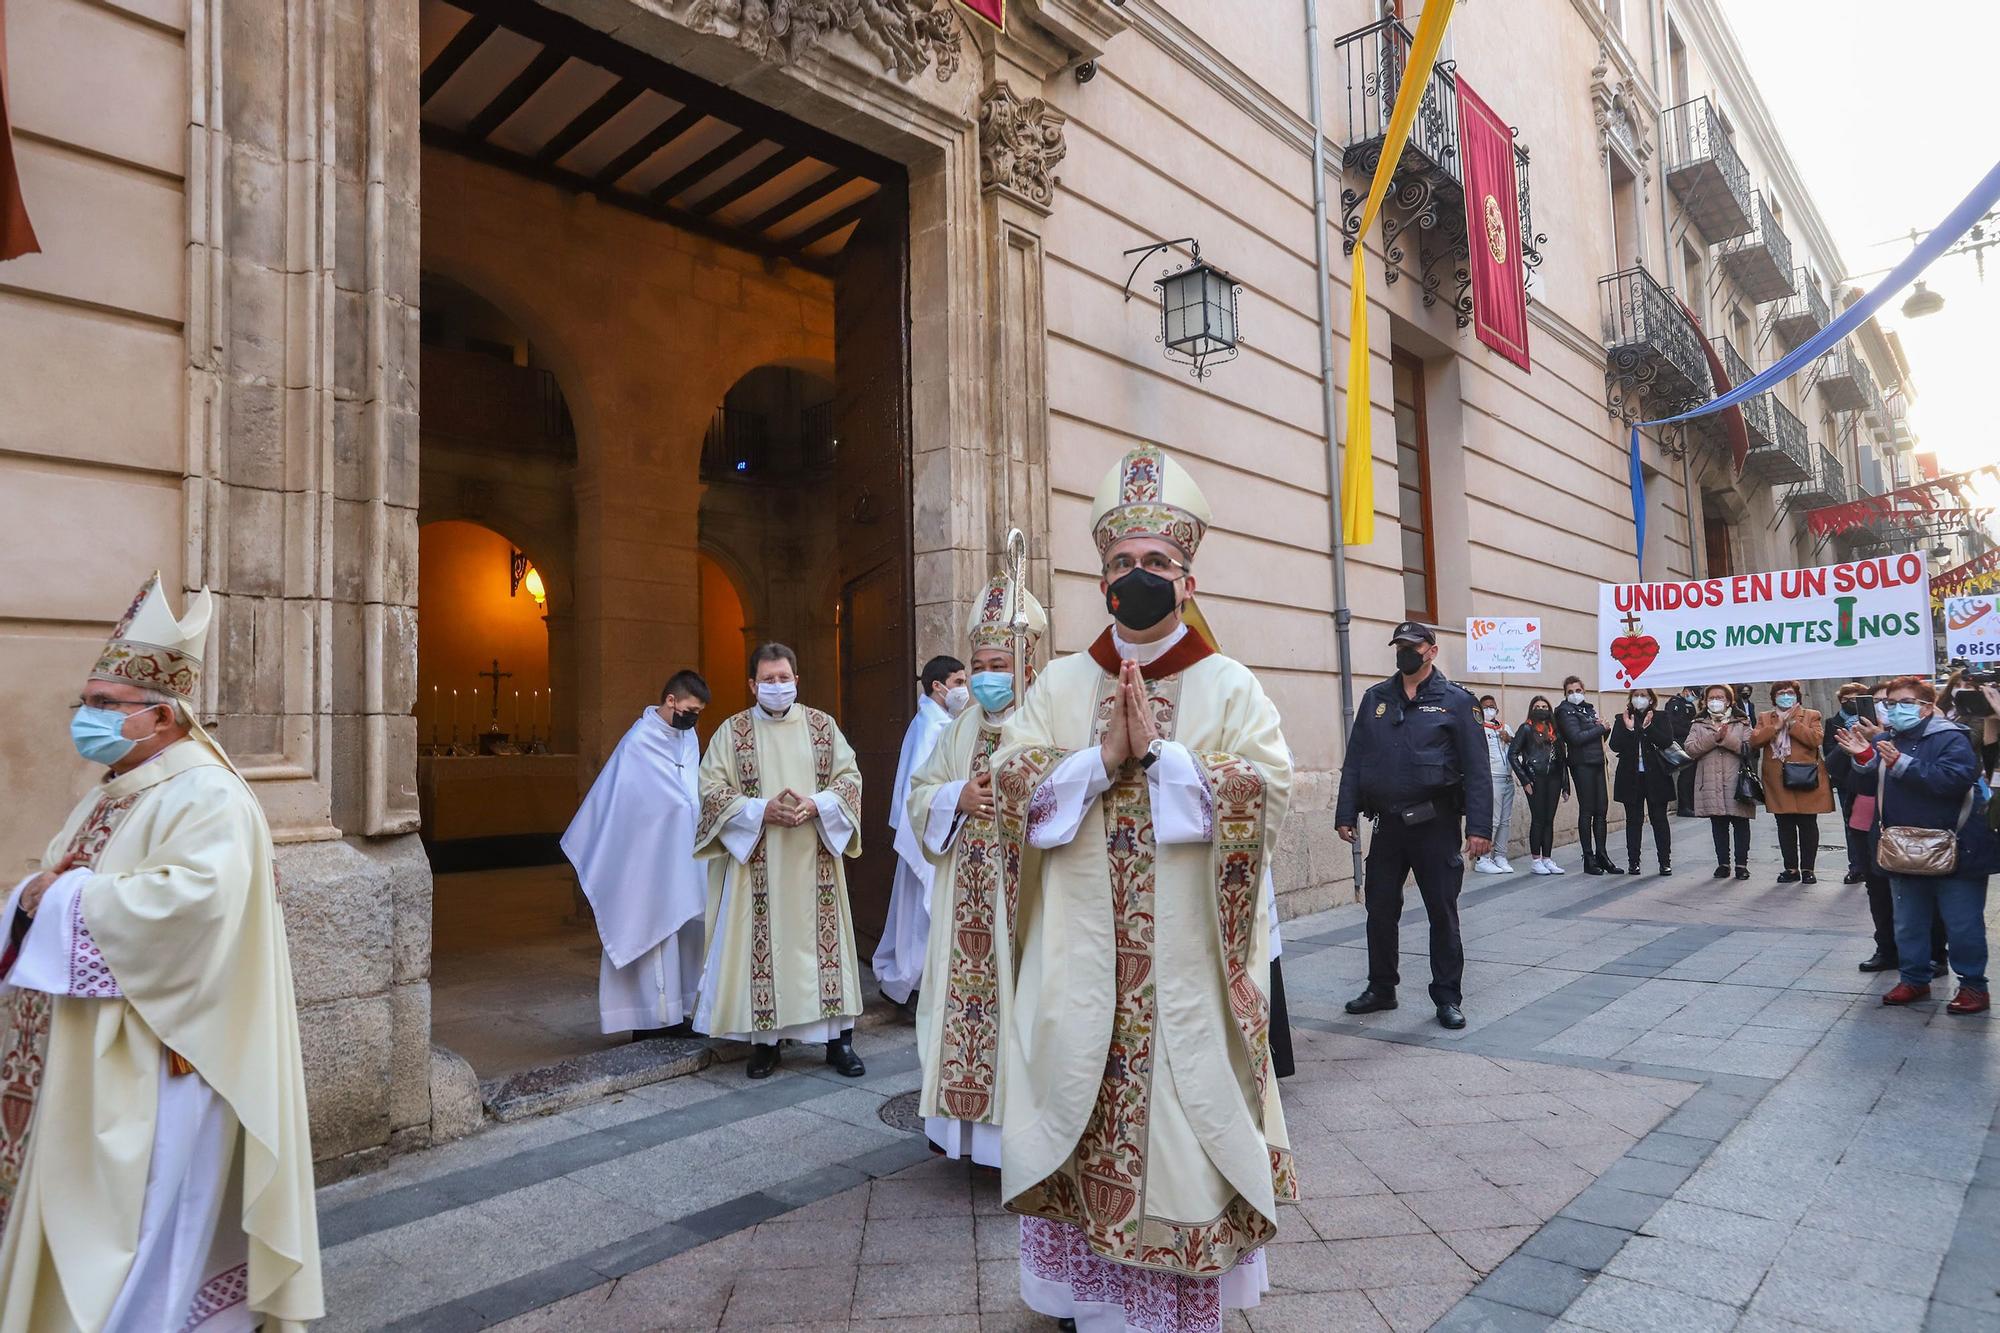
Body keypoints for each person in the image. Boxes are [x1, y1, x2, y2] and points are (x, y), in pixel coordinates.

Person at [994, 444, 1293, 1331]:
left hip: (1184, 972)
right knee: (1079, 1117)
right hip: (1081, 965)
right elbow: (1014, 784)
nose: (1137, 576)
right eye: (1121, 564)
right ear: (1100, 581)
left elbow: (1269, 788)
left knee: (1178, 1136)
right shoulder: (1059, 681)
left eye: (1156, 563)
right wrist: (1098, 760)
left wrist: (1162, 760)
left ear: (1188, 579)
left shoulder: (1228, 683)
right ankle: (1082, 1299)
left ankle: (1163, 1304)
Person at [0, 572, 322, 1328]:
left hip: (162, 1060)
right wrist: (28, 897)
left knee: (146, 1235)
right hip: (91, 1056)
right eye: (86, 702)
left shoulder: (209, 796)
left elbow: (195, 911)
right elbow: (59, 880)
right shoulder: (118, 785)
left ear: (164, 715)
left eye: (106, 705)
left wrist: (61, 899)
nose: (88, 717)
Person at [906, 575, 1045, 1168]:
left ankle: (1029, 1143)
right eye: (979, 663)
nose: (988, 675)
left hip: (1032, 899)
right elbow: (920, 791)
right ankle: (968, 1142)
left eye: (1000, 663)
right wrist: (954, 798)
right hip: (967, 896)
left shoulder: (1050, 722)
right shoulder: (960, 728)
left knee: (1027, 1012)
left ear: (1025, 664)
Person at [693, 643, 867, 1079]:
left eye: (783, 678)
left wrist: (819, 804)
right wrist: (759, 811)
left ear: (796, 680)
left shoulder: (822, 728)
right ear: (752, 684)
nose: (776, 686)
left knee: (821, 949)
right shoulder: (732, 734)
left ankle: (837, 1041)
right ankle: (766, 1045)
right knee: (765, 950)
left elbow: (850, 779)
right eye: (767, 680)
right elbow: (710, 790)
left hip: (816, 857)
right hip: (759, 862)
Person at [1337, 621, 1492, 1030]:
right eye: (1400, 646)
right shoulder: (1376, 699)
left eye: (1413, 646)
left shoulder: (1457, 702)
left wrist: (1479, 828)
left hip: (1435, 825)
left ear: (1431, 651)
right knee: (1380, 909)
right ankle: (1382, 987)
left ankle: (1447, 996)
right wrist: (1345, 812)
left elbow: (1478, 770)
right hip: (1388, 824)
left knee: (1442, 911)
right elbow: (1355, 760)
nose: (1405, 652)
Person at [562, 670, 709, 1040]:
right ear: (671, 701)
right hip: (645, 861)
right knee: (651, 932)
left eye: (699, 713)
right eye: (690, 709)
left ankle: (680, 1011)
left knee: (686, 933)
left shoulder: (688, 738)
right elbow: (624, 805)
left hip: (683, 855)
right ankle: (647, 1020)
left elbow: (692, 790)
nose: (693, 718)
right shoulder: (638, 743)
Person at [1835, 676, 1991, 1014]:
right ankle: (1914, 978)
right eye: (1890, 703)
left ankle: (1973, 986)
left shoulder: (1952, 737)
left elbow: (1954, 779)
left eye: (1904, 702)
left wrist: (1901, 764)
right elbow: (1868, 781)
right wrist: (1864, 756)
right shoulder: (1889, 737)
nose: (1894, 709)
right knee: (1908, 921)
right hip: (1902, 847)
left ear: (1926, 706)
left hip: (1955, 847)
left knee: (1963, 923)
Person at [874, 654, 966, 1012]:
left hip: (936, 829)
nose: (965, 690)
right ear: (937, 687)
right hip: (927, 832)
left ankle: (911, 983)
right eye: (958, 683)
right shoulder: (932, 726)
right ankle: (909, 986)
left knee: (919, 912)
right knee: (919, 914)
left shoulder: (939, 721)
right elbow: (920, 787)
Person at [1750, 680, 1832, 884]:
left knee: (1808, 824)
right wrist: (1775, 727)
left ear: (1797, 696)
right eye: (1781, 693)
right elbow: (1755, 741)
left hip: (1805, 776)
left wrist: (1793, 725)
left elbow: (1816, 740)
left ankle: (1808, 869)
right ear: (1774, 697)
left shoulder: (1811, 715)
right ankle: (1791, 868)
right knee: (1784, 825)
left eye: (1789, 692)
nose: (1785, 696)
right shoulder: (1764, 717)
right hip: (1778, 779)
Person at [1684, 684, 1756, 880]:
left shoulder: (1742, 722)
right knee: (1719, 824)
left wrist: (1726, 739)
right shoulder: (1698, 723)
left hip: (1736, 781)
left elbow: (1749, 748)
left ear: (1729, 700)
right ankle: (1723, 863)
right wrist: (1713, 738)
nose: (1716, 701)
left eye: (1720, 697)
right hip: (1710, 781)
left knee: (1741, 823)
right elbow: (1690, 749)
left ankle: (1742, 864)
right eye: (1711, 698)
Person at [1609, 686, 1674, 875]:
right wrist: (1629, 729)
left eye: (1643, 695)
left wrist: (1648, 727)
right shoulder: (1622, 719)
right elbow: (1614, 745)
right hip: (1631, 778)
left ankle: (1665, 861)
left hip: (1656, 777)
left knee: (1659, 820)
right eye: (1636, 695)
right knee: (1633, 821)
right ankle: (1633, 862)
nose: (1639, 698)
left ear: (1651, 699)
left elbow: (1666, 741)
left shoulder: (1661, 717)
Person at [1555, 675, 1614, 874]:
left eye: (1578, 690)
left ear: (1584, 690)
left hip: (1597, 761)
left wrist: (1604, 728)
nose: (1575, 694)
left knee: (1601, 810)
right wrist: (1599, 728)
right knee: (1587, 810)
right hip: (1581, 764)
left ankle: (1602, 854)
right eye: (1570, 691)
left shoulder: (1588, 708)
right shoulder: (1564, 711)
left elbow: (1599, 737)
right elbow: (1576, 738)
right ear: (1565, 693)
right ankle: (1588, 857)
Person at [1509, 695, 1568, 874]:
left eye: (1544, 706)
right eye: (1537, 706)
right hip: (1535, 779)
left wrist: (1565, 785)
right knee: (1538, 819)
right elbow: (1512, 754)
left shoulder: (1555, 732)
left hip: (1554, 780)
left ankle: (1547, 858)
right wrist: (1525, 780)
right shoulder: (1526, 728)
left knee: (1549, 820)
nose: (1541, 709)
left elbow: (1562, 760)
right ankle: (1536, 860)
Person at [1825, 682, 1874, 885]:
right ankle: (1856, 866)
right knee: (1851, 825)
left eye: (1855, 699)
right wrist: (1848, 745)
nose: (1849, 703)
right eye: (1845, 700)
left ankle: (1876, 863)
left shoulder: (1873, 721)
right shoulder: (1832, 722)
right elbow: (1829, 751)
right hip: (1847, 779)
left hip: (1871, 777)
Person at [1474, 694, 1516, 874]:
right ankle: (1483, 858)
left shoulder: (1504, 727)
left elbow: (1517, 748)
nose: (1489, 709)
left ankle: (1500, 855)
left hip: (1508, 779)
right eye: (1485, 707)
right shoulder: (1478, 729)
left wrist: (1509, 739)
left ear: (1497, 709)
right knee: (1494, 820)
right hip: (1492, 779)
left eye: (1492, 706)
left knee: (1505, 821)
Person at [1665, 685, 1701, 817]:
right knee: (1685, 775)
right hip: (1680, 743)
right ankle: (1684, 806)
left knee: (1691, 775)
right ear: (1686, 691)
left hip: (1690, 742)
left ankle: (1690, 804)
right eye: (1693, 694)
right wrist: (1689, 729)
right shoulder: (1674, 703)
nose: (1694, 698)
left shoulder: (1689, 705)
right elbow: (1672, 725)